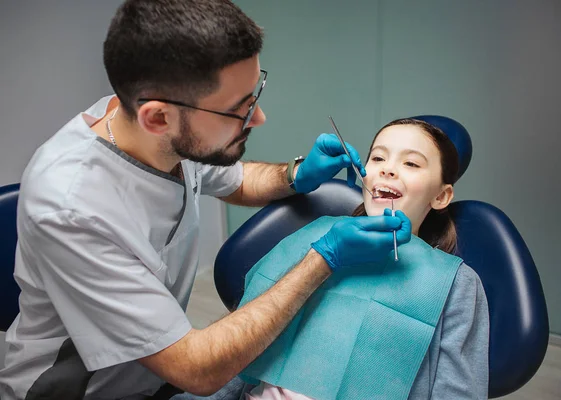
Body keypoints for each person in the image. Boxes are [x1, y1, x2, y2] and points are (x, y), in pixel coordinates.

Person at [0, 1, 409, 399]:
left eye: (255, 94)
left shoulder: (158, 134)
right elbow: (197, 369)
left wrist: (296, 174)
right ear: (157, 117)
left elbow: (235, 181)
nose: (259, 118)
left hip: (153, 374)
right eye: (239, 110)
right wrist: (324, 259)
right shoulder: (73, 210)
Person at [239, 118, 490, 400]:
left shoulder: (455, 283)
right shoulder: (316, 238)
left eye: (411, 164)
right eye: (378, 157)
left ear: (441, 196)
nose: (388, 168)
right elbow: (240, 338)